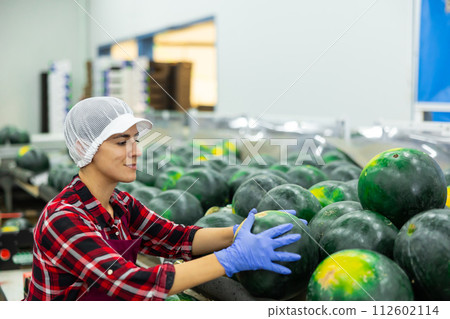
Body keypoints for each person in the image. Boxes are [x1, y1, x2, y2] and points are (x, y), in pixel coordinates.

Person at [26, 97, 302, 301]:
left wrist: (238, 232)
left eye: (135, 139)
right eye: (121, 142)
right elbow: (130, 282)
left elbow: (176, 237)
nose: (135, 151)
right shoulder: (63, 219)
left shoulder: (120, 204)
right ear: (84, 148)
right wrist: (231, 258)